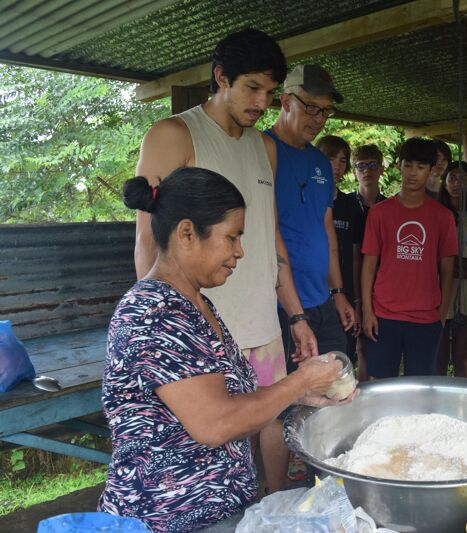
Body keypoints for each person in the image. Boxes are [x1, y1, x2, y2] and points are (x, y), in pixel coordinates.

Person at [100, 169, 351, 532]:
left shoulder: (196, 304)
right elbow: (216, 423)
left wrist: (303, 394)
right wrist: (298, 383)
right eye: (231, 237)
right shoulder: (154, 313)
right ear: (187, 233)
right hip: (166, 519)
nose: (239, 251)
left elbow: (233, 400)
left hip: (221, 511)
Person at [130, 29, 313, 493]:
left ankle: (271, 513)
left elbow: (271, 238)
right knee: (212, 444)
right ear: (221, 78)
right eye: (252, 87)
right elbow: (147, 242)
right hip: (201, 329)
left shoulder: (264, 146)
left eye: (271, 93)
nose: (262, 102)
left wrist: (296, 314)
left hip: (261, 322)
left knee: (275, 419)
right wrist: (166, 327)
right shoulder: (174, 135)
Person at [266, 64, 356, 373]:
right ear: (285, 102)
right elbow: (266, 233)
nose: (318, 119)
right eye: (311, 108)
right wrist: (295, 315)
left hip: (321, 302)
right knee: (294, 400)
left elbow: (326, 229)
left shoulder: (320, 162)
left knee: (340, 380)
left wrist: (338, 292)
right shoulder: (263, 152)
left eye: (325, 111)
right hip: (280, 307)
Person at [361, 138, 457, 378]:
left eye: (421, 167)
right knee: (380, 385)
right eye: (408, 165)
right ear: (398, 166)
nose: (413, 173)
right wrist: (368, 311)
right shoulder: (379, 212)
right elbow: (368, 265)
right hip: (384, 315)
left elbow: (448, 271)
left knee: (421, 389)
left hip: (426, 318)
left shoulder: (443, 217)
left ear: (432, 170)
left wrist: (441, 314)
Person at [436, 161, 467, 377]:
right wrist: (452, 264)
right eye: (452, 178)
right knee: (438, 354)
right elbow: (433, 263)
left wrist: (448, 264)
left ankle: (462, 401)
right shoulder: (436, 217)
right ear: (444, 184)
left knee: (461, 355)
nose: (457, 183)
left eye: (463, 178)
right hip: (439, 293)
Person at [316, 135, 362, 365]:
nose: (336, 165)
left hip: (343, 292)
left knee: (342, 358)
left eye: (342, 160)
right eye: (330, 158)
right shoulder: (307, 198)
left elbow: (355, 258)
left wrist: (355, 299)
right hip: (313, 293)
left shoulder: (352, 205)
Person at [350, 144, 388, 381]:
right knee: (359, 348)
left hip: (383, 287)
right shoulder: (344, 205)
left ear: (382, 169)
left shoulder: (390, 206)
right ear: (354, 171)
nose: (367, 170)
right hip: (352, 284)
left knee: (378, 349)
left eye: (372, 165)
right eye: (361, 166)